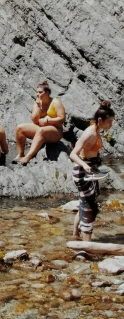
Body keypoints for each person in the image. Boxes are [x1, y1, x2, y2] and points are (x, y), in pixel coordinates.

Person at [70, 101, 114, 241]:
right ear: (100, 120)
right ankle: (86, 245)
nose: (111, 125)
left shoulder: (96, 129)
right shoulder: (89, 133)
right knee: (89, 207)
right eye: (109, 122)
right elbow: (73, 154)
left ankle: (75, 234)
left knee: (86, 201)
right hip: (83, 172)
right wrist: (84, 165)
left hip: (92, 171)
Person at [14, 81, 66, 165]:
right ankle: (20, 154)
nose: (38, 94)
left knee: (42, 131)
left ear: (47, 92)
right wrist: (38, 106)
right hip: (40, 128)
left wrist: (48, 121)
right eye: (37, 92)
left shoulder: (55, 102)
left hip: (56, 130)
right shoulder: (37, 102)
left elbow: (62, 118)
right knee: (20, 128)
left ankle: (28, 156)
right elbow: (34, 120)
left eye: (40, 92)